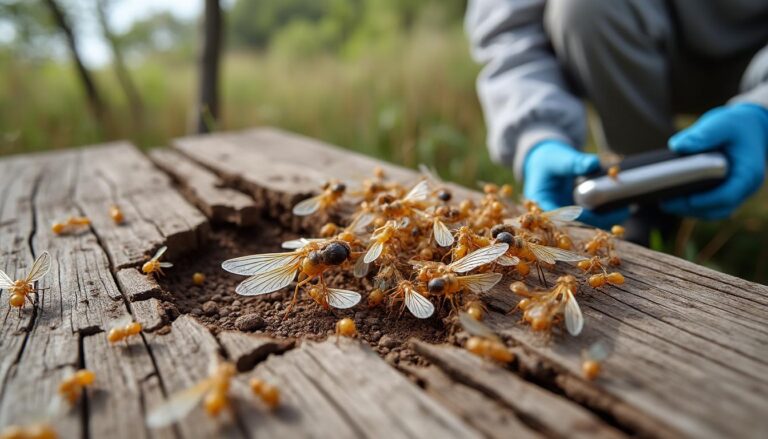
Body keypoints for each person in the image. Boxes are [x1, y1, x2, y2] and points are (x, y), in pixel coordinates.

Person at [466, 0, 768, 242]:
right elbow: (509, 28)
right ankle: (649, 207)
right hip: (643, 38)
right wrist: (537, 134)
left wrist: (762, 109)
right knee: (585, 8)